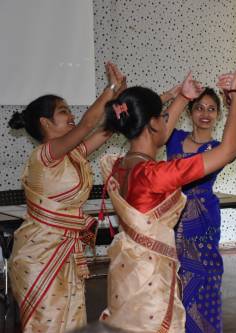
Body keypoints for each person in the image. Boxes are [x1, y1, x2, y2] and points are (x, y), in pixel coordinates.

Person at [99, 69, 236, 333]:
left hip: (127, 273)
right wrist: (235, 95)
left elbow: (161, 135)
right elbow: (231, 149)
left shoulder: (119, 167)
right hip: (150, 278)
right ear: (154, 124)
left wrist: (181, 97)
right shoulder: (154, 174)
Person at [7, 62, 125, 332]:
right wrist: (110, 90)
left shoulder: (73, 153)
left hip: (67, 253)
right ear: (45, 122)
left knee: (72, 321)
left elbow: (105, 130)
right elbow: (87, 126)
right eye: (64, 112)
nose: (71, 115)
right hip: (39, 257)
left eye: (70, 111)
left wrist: (121, 100)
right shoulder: (45, 155)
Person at [165, 87, 236, 333]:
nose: (205, 114)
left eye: (211, 109)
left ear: (218, 114)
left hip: (203, 223)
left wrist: (235, 100)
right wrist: (173, 95)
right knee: (172, 282)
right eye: (199, 108)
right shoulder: (173, 138)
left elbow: (233, 143)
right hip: (171, 220)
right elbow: (153, 121)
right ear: (189, 111)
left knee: (205, 280)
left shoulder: (218, 147)